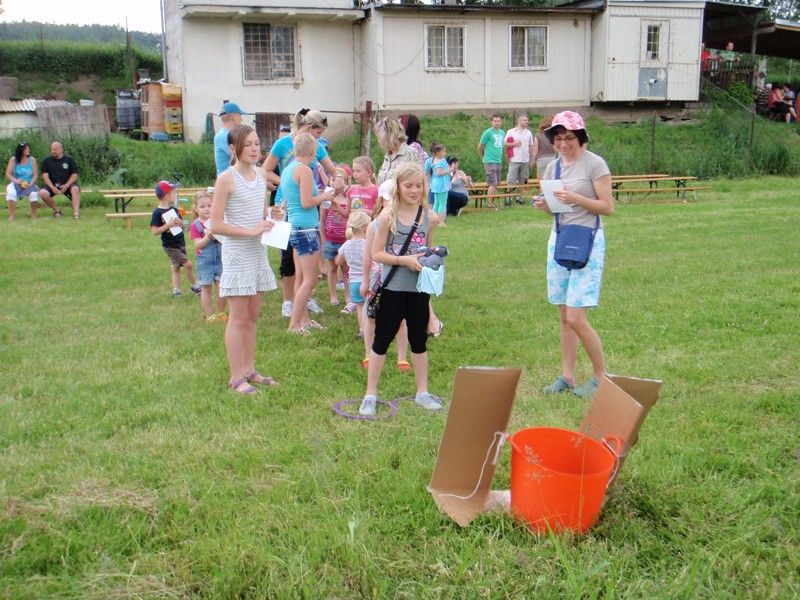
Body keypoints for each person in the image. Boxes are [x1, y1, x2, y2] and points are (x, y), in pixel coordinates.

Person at [533, 111, 613, 400]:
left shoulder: (595, 164)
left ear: (580, 137)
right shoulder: (552, 168)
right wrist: (547, 205)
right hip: (560, 239)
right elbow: (558, 208)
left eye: (569, 138)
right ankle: (567, 376)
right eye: (558, 139)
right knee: (565, 315)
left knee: (577, 317)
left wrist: (575, 198)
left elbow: (607, 207)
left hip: (587, 240)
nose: (563, 144)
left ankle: (601, 377)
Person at [360, 163, 442, 416]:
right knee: (382, 340)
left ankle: (422, 392)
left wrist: (432, 259)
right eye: (408, 186)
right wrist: (403, 260)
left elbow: (427, 249)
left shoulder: (429, 217)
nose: (414, 190)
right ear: (397, 186)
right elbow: (377, 253)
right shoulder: (387, 217)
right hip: (393, 288)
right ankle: (370, 395)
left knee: (419, 340)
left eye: (419, 185)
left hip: (418, 290)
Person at [210, 124, 281, 395]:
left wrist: (272, 216)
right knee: (237, 318)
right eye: (248, 144)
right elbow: (216, 225)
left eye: (257, 143)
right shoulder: (226, 179)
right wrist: (251, 230)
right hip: (237, 254)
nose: (254, 149)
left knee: (252, 316)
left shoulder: (261, 175)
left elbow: (260, 214)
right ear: (233, 148)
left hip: (257, 252)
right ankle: (236, 377)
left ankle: (250, 370)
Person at [263, 108, 337, 318]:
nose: (319, 138)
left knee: (305, 259)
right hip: (284, 205)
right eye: (318, 133)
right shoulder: (283, 144)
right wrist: (288, 183)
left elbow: (333, 169)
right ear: (309, 127)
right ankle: (289, 301)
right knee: (288, 255)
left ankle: (305, 299)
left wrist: (339, 177)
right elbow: (265, 170)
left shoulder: (316, 146)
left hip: (306, 207)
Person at [280, 132, 334, 334]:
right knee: (310, 279)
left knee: (301, 278)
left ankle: (304, 320)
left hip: (295, 226)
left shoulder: (288, 168)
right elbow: (306, 202)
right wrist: (325, 197)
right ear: (312, 153)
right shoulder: (304, 170)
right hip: (306, 229)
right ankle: (294, 324)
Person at [360, 180, 412, 372]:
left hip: (398, 277)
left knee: (401, 319)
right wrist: (365, 280)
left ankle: (402, 357)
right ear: (381, 201)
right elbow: (367, 256)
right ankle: (368, 353)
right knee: (371, 317)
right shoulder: (374, 226)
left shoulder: (406, 223)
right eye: (389, 200)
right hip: (377, 279)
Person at [150, 181, 201, 298]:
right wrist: (168, 225)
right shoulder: (157, 213)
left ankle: (176, 290)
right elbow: (155, 231)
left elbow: (184, 227)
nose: (176, 195)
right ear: (167, 196)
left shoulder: (175, 210)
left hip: (180, 243)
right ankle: (195, 287)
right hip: (170, 246)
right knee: (188, 264)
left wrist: (180, 223)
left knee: (176, 267)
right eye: (174, 193)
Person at [336, 210, 371, 354]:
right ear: (364, 227)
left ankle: (362, 329)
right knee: (370, 307)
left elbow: (338, 261)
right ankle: (370, 330)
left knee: (359, 307)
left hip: (353, 282)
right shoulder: (367, 244)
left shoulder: (346, 244)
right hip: (367, 281)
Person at [189, 190, 227, 322]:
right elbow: (198, 245)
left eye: (209, 206)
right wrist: (208, 236)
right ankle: (209, 314)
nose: (206, 209)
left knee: (221, 287)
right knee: (206, 288)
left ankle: (221, 312)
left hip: (220, 259)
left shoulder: (218, 221)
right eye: (202, 206)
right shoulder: (196, 225)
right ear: (196, 208)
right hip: (204, 261)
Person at [320, 168, 351, 307]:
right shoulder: (327, 199)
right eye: (334, 179)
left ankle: (348, 295)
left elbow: (349, 215)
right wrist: (324, 239)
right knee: (332, 268)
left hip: (345, 240)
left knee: (346, 269)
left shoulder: (348, 198)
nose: (337, 182)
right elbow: (322, 221)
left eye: (340, 179)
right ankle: (333, 295)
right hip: (331, 240)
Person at [374, 116, 425, 185]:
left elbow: (422, 182)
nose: (378, 140)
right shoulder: (388, 156)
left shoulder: (410, 154)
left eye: (379, 137)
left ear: (389, 136)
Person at [38, 141, 81, 219]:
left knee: (75, 189)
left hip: (67, 185)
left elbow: (75, 174)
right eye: (52, 149)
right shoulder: (46, 161)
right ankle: (57, 210)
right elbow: (45, 176)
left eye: (56, 149)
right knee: (42, 192)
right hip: (52, 185)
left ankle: (76, 213)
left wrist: (67, 185)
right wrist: (52, 187)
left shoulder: (69, 159)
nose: (53, 151)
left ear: (61, 150)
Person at [5, 141, 41, 221]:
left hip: (29, 183)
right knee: (11, 193)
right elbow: (8, 174)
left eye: (28, 148)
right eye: (26, 149)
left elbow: (35, 175)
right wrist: (17, 181)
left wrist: (31, 183)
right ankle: (12, 215)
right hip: (15, 183)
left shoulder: (32, 160)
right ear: (21, 150)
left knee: (34, 194)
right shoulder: (13, 159)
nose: (28, 150)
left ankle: (33, 215)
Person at [505, 114, 534, 205]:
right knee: (511, 179)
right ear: (519, 121)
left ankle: (520, 198)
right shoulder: (511, 131)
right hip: (514, 159)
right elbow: (505, 143)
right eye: (524, 120)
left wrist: (531, 158)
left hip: (525, 159)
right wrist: (514, 143)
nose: (526, 122)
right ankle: (509, 198)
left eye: (527, 120)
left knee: (523, 180)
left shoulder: (528, 133)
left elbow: (531, 146)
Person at [214, 101, 250, 176]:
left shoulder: (226, 134)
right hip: (228, 180)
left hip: (234, 178)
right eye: (240, 115)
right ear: (234, 116)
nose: (241, 119)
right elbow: (243, 158)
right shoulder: (224, 136)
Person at [477, 114, 505, 209]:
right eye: (495, 121)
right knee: (492, 183)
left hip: (498, 161)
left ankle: (491, 200)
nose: (497, 123)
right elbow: (480, 146)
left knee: (497, 182)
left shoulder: (502, 132)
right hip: (489, 161)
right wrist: (483, 156)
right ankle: (489, 203)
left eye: (498, 121)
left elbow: (501, 146)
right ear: (491, 122)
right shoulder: (488, 132)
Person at [428, 142, 450, 224]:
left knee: (436, 203)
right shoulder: (439, 162)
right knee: (442, 204)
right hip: (441, 186)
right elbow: (439, 173)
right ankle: (441, 221)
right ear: (437, 152)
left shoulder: (437, 160)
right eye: (443, 152)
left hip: (436, 185)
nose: (445, 153)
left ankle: (433, 220)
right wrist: (449, 170)